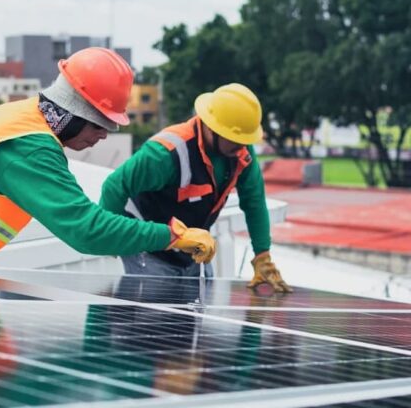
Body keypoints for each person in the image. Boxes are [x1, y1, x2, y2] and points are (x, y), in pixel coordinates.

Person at [0, 47, 215, 298]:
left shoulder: (20, 117)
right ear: (74, 113)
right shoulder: (29, 148)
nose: (103, 136)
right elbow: (85, 230)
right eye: (99, 125)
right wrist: (173, 235)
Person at [100, 83, 292, 292]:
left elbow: (254, 201)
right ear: (212, 128)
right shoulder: (166, 153)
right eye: (236, 140)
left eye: (245, 140)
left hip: (194, 249)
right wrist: (110, 238)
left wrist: (262, 255)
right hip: (151, 250)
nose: (242, 146)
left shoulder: (240, 153)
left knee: (195, 315)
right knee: (157, 315)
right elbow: (114, 186)